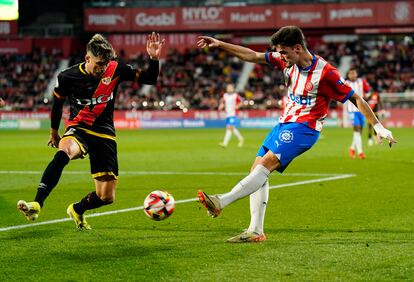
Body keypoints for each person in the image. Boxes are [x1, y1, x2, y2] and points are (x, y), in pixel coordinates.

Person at [196, 26, 396, 243]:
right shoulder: (286, 60)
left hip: (305, 128)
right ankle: (255, 230)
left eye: (283, 52)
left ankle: (221, 202)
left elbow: (356, 98)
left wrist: (379, 128)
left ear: (298, 48)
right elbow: (252, 56)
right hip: (283, 124)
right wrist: (220, 44)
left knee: (266, 164)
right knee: (257, 170)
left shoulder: (326, 73)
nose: (280, 56)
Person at [17, 32, 165, 229]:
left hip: (105, 135)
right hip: (79, 128)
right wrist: (54, 131)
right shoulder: (67, 76)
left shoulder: (116, 68)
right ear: (87, 58)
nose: (102, 69)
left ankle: (77, 209)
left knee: (106, 197)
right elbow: (57, 105)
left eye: (105, 64)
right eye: (98, 64)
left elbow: (149, 79)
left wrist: (154, 58)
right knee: (65, 152)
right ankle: (37, 203)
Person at [345, 68, 371, 159]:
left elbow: (368, 91)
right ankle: (360, 152)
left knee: (359, 131)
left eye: (353, 73)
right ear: (348, 75)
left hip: (361, 110)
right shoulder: (345, 83)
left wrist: (366, 97)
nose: (352, 75)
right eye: (350, 73)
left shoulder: (362, 81)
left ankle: (352, 148)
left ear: (356, 74)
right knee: (356, 129)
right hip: (352, 110)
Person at [218, 83, 244, 148]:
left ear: (233, 88)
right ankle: (241, 139)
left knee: (230, 127)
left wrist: (238, 106)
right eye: (228, 87)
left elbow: (241, 102)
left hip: (233, 114)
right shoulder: (225, 95)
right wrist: (221, 106)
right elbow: (223, 103)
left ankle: (225, 143)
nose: (229, 89)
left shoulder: (235, 95)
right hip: (227, 114)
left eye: (230, 87)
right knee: (230, 128)